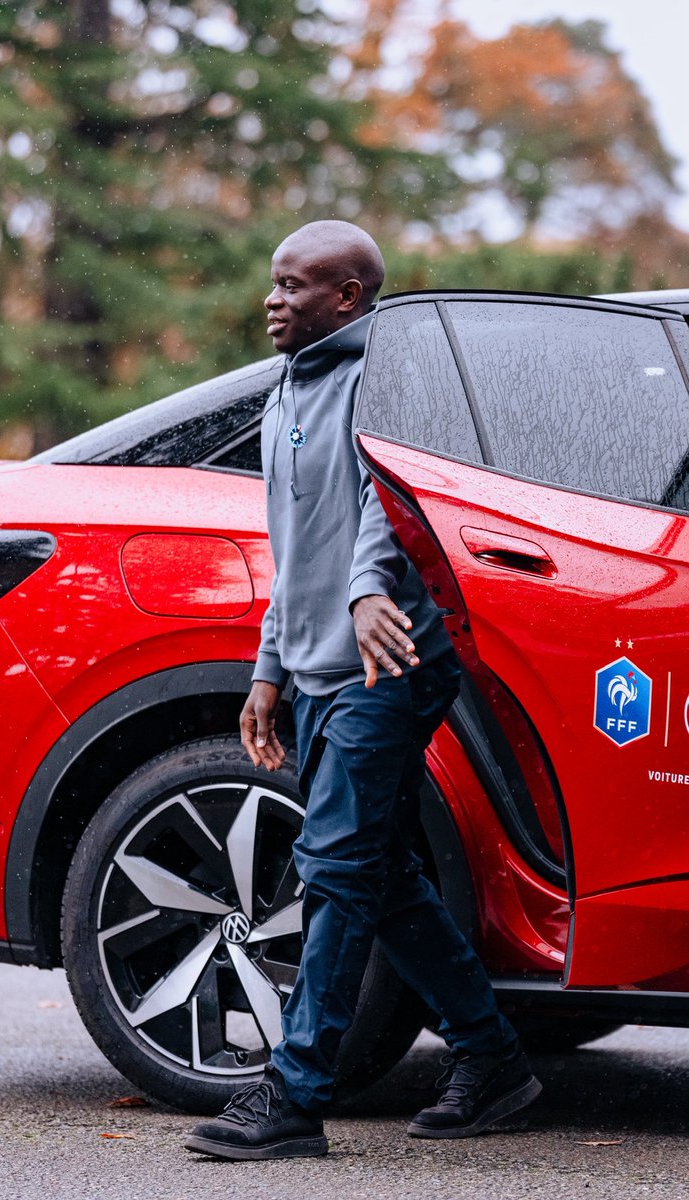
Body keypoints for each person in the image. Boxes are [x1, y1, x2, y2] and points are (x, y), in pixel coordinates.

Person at [185, 220, 541, 1161]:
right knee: (377, 873)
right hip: (315, 665)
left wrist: (369, 587)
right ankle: (493, 1057)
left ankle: (296, 1091)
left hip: (389, 660)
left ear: (347, 296)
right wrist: (268, 670)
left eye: (294, 285)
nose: (273, 300)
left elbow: (391, 504)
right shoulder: (286, 393)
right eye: (273, 281)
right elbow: (293, 546)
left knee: (337, 865)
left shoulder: (387, 381)